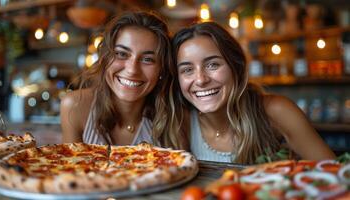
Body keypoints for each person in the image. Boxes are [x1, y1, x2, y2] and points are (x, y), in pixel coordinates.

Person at [164, 22, 335, 164]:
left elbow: (334, 175)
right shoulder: (180, 121)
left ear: (236, 67)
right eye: (187, 70)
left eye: (213, 65)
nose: (201, 80)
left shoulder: (276, 110)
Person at [60, 11, 172, 145]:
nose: (132, 70)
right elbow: (68, 164)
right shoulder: (74, 106)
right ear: (105, 58)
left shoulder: (174, 116)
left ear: (162, 69)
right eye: (122, 54)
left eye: (148, 59)